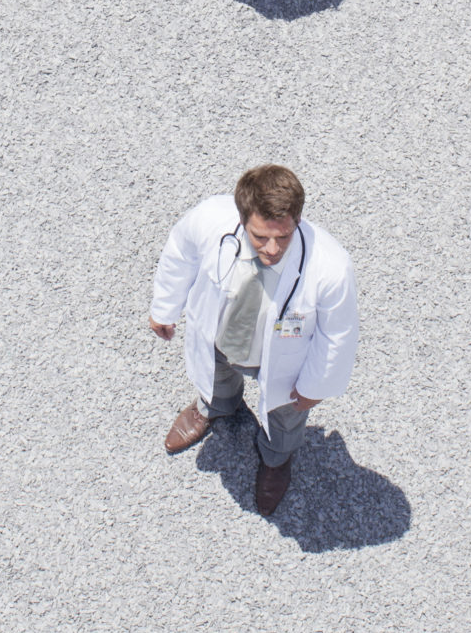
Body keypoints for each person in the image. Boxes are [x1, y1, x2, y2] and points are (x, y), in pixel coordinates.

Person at [148, 166, 358, 514]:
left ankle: (276, 458)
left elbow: (337, 333)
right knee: (215, 375)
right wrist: (165, 307)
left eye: (284, 237)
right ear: (242, 216)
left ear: (298, 220)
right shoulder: (209, 219)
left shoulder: (331, 266)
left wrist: (315, 387)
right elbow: (179, 255)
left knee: (286, 416)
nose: (273, 249)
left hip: (284, 364)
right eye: (260, 237)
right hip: (222, 340)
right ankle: (215, 407)